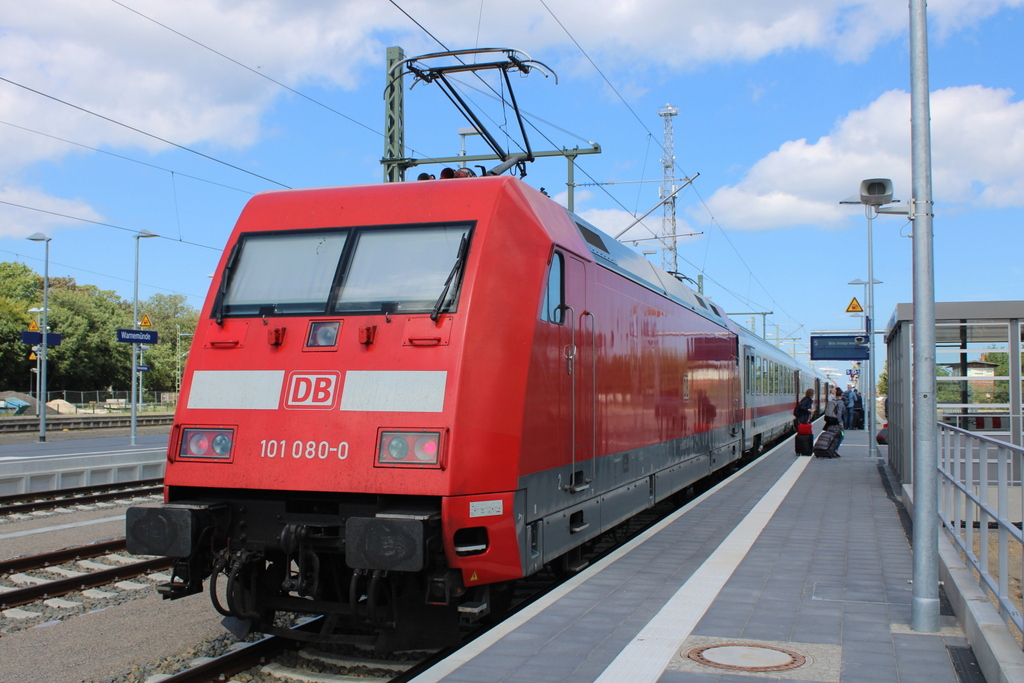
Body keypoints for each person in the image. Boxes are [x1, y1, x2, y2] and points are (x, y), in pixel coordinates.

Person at [825, 387, 846, 455]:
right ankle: (835, 449)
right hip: (838, 423)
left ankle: (829, 448)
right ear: (841, 395)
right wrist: (841, 423)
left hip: (831, 422)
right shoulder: (840, 402)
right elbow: (839, 414)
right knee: (842, 435)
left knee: (831, 436)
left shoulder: (832, 401)